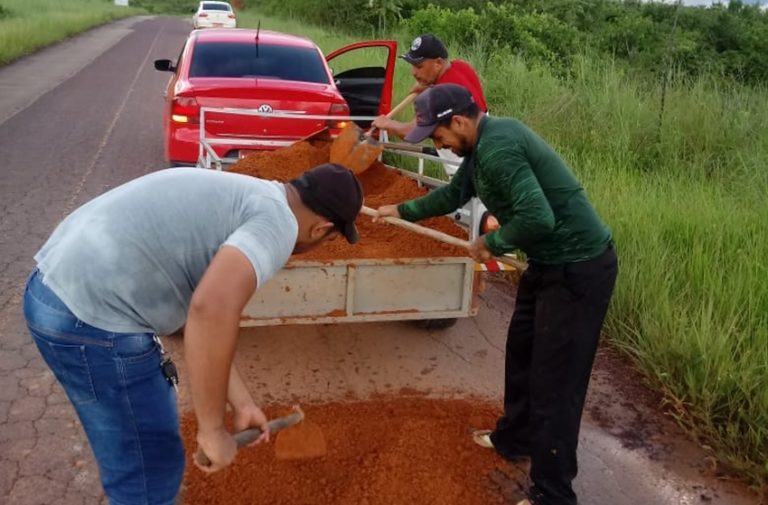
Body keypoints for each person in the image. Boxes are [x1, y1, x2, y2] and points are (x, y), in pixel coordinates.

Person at [22, 163, 363, 505]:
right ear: (322, 229)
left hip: (50, 288)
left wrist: (241, 402)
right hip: (91, 319)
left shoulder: (251, 194)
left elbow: (197, 316)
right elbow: (210, 310)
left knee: (137, 455)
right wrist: (213, 431)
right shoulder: (278, 225)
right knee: (148, 473)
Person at [373, 84, 618, 505]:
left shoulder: (499, 148)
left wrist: (493, 243)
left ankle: (554, 495)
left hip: (578, 268)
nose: (440, 145)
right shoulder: (478, 149)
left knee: (555, 384)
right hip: (547, 263)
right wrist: (402, 211)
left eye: (439, 137)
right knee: (521, 353)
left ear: (461, 121)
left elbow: (538, 217)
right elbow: (454, 194)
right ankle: (516, 439)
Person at [372, 33, 488, 177]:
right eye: (412, 66)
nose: (413, 72)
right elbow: (453, 87)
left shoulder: (440, 97)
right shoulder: (461, 67)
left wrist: (387, 123)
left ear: (438, 63)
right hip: (485, 151)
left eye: (419, 66)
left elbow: (410, 132)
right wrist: (428, 86)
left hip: (468, 173)